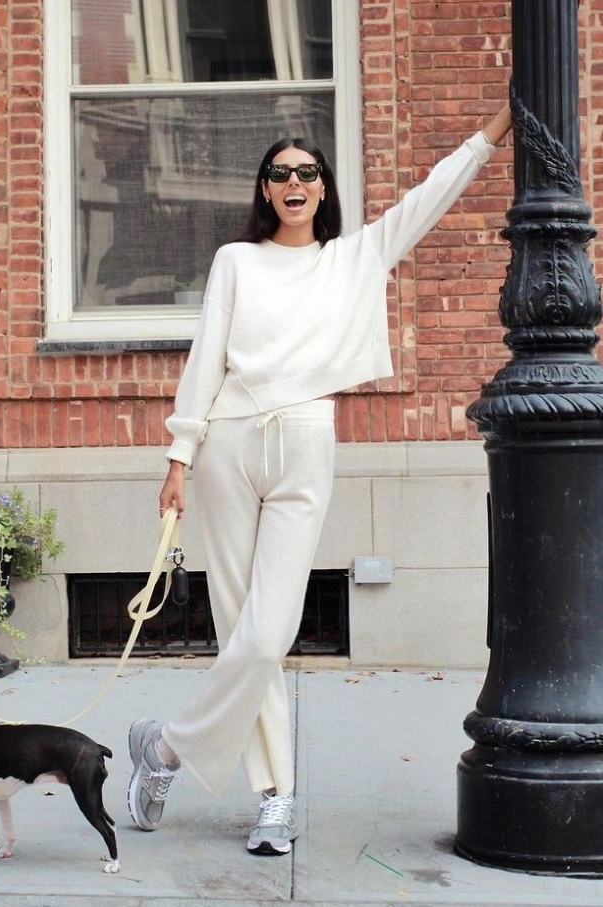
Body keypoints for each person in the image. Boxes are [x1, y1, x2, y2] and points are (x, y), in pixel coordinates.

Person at [127, 105, 514, 856]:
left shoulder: (353, 258)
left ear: (324, 187)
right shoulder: (235, 262)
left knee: (269, 631)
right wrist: (180, 456)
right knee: (243, 626)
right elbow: (205, 358)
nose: (294, 182)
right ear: (265, 189)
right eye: (280, 173)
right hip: (229, 444)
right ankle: (275, 797)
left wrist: (496, 126)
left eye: (308, 171)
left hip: (304, 443)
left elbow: (433, 193)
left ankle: (166, 746)